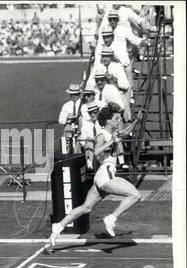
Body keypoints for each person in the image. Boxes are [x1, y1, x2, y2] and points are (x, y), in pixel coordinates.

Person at [49, 106, 145, 245]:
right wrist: (112, 141)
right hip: (105, 175)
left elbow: (124, 132)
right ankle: (111, 218)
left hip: (100, 177)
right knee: (135, 195)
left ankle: (57, 227)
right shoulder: (102, 135)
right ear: (108, 121)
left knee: (86, 208)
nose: (119, 120)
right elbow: (96, 151)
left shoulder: (112, 132)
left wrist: (136, 121)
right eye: (116, 119)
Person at [78, 101, 102, 172]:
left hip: (101, 145)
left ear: (98, 112)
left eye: (95, 112)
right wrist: (88, 139)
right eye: (90, 113)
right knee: (89, 142)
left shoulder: (102, 123)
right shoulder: (86, 124)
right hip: (91, 146)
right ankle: (90, 164)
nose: (92, 114)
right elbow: (82, 142)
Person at [58, 84, 82, 153]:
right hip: (70, 128)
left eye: (75, 94)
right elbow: (61, 120)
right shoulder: (66, 105)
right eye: (71, 94)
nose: (73, 96)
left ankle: (77, 153)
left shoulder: (83, 104)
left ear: (79, 94)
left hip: (80, 128)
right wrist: (67, 118)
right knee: (68, 129)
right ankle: (67, 152)